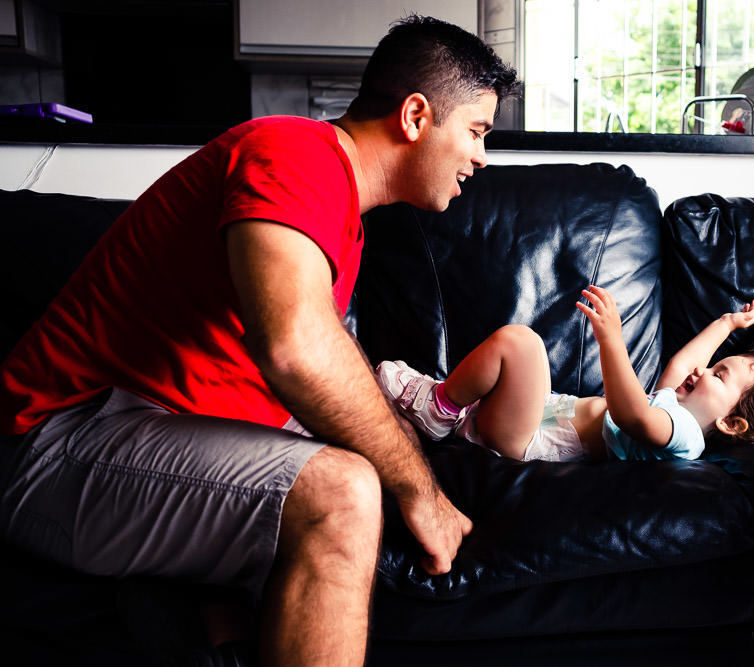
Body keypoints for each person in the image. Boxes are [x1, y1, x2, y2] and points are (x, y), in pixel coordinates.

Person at [0, 15, 518, 667]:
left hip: (140, 434)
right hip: (52, 442)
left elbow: (317, 366)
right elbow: (297, 350)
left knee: (322, 471)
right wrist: (422, 492)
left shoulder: (343, 224)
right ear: (415, 116)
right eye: (475, 131)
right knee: (344, 491)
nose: (481, 156)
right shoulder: (296, 154)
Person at [377, 288, 754, 463]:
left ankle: (439, 410)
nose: (702, 369)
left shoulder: (683, 435)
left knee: (522, 344)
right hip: (537, 416)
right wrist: (727, 324)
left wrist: (611, 342)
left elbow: (632, 416)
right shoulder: (675, 406)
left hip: (531, 442)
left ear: (730, 422)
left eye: (718, 374)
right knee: (515, 361)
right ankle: (451, 403)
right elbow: (681, 364)